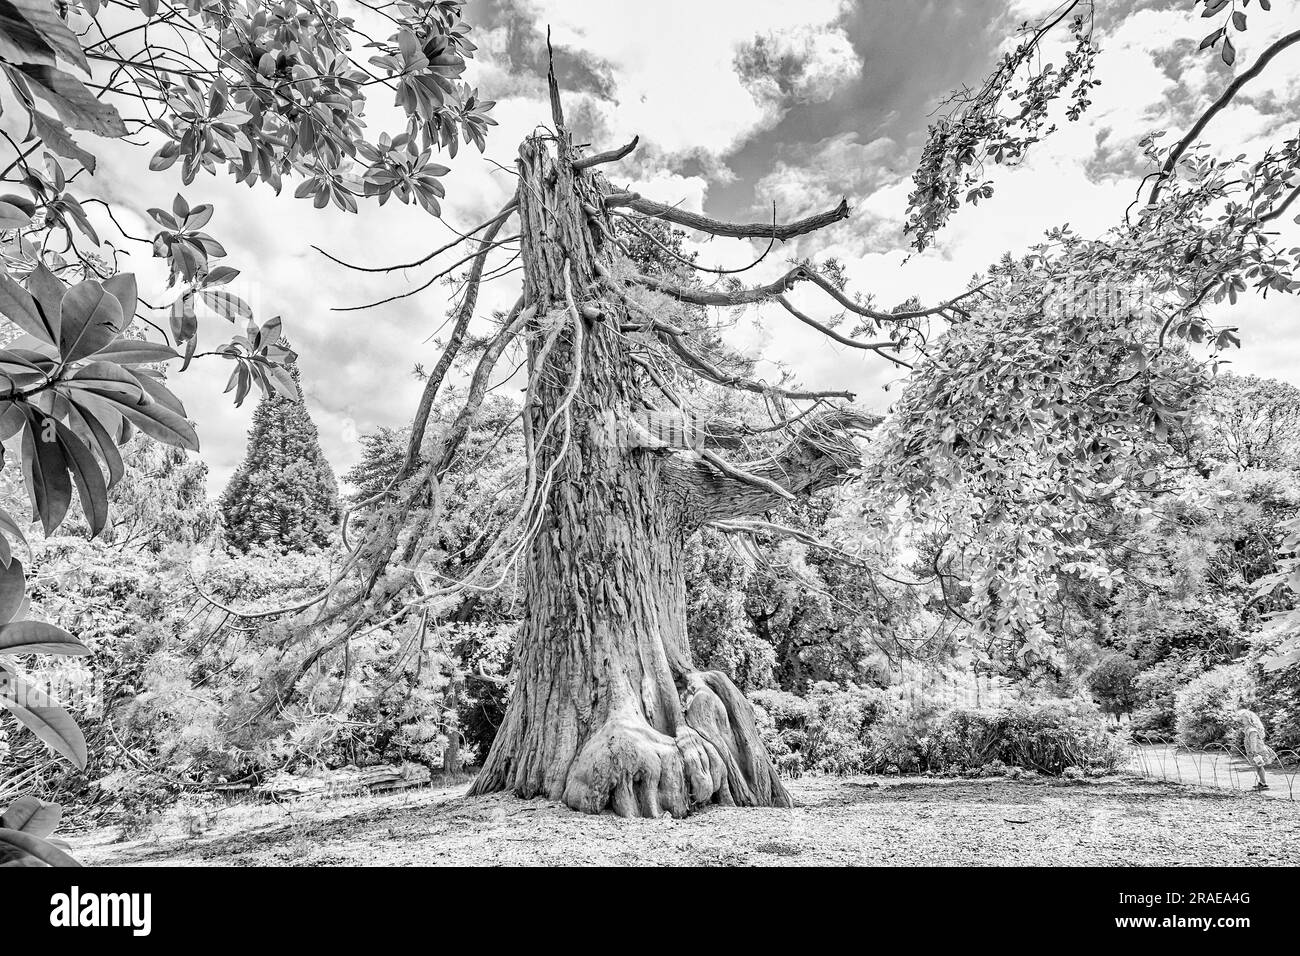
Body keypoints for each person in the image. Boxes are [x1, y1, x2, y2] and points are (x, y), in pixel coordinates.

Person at [1237, 709, 1278, 791]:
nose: (1241, 721)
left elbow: (1253, 741)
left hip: (1257, 751)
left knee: (1259, 766)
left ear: (1249, 719)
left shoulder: (1252, 730)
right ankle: (1261, 782)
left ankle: (1264, 783)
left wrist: (1254, 751)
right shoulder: (1248, 728)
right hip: (1254, 751)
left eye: (1243, 719)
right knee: (1258, 766)